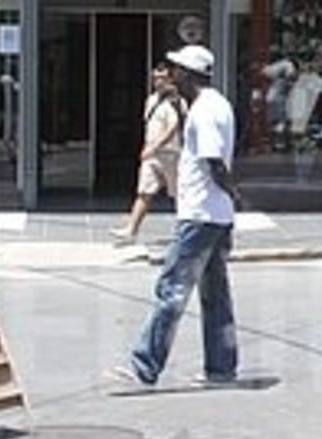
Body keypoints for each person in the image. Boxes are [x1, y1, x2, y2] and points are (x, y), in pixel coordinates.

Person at [112, 45, 240, 388]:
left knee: (172, 289)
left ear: (188, 74)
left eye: (175, 70)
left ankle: (144, 364)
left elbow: (214, 163)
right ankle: (221, 368)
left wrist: (234, 194)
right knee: (215, 295)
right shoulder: (211, 105)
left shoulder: (206, 111)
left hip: (200, 215)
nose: (170, 76)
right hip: (214, 215)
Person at [113, 64, 185, 245]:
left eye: (162, 78)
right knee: (144, 191)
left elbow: (172, 127)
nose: (158, 82)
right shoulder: (152, 100)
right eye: (155, 78)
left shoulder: (177, 101)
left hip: (170, 153)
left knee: (178, 195)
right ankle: (131, 230)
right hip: (152, 154)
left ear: (171, 79)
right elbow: (149, 125)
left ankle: (185, 230)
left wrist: (155, 146)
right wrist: (147, 146)